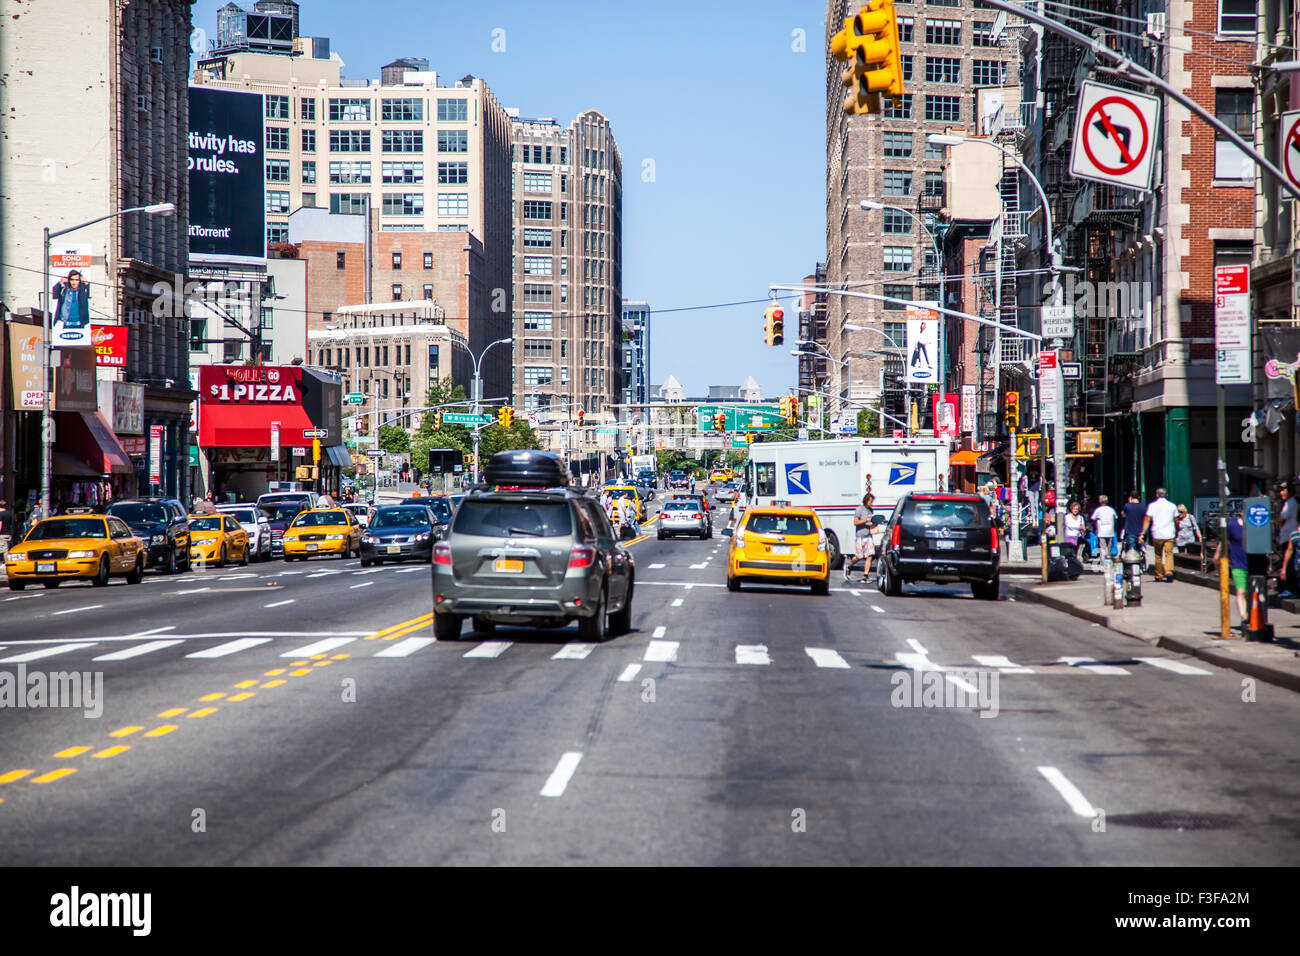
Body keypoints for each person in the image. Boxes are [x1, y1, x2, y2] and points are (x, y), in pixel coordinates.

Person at [1216, 515, 1249, 631]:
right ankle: (1244, 617)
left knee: (1251, 594)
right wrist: (1217, 554)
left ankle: (1252, 616)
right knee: (1241, 591)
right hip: (1238, 564)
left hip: (1253, 563)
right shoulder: (1232, 525)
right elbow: (1224, 540)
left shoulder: (1255, 525)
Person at [1141, 487, 1179, 582]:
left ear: (1157, 495)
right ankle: (1169, 572)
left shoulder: (1152, 506)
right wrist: (1177, 528)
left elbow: (1147, 519)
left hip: (1157, 533)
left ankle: (1158, 575)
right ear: (1166, 495)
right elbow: (1176, 520)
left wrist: (1143, 532)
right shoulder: (1172, 506)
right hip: (1169, 533)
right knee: (1169, 554)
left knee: (1158, 555)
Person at [845, 493, 877, 583]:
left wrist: (875, 523)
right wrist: (865, 520)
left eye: (872, 501)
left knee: (870, 555)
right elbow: (855, 522)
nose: (872, 503)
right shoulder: (859, 509)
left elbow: (871, 522)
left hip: (868, 535)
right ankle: (849, 566)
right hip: (860, 536)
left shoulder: (871, 510)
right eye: (871, 501)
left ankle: (865, 575)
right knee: (859, 556)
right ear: (866, 500)